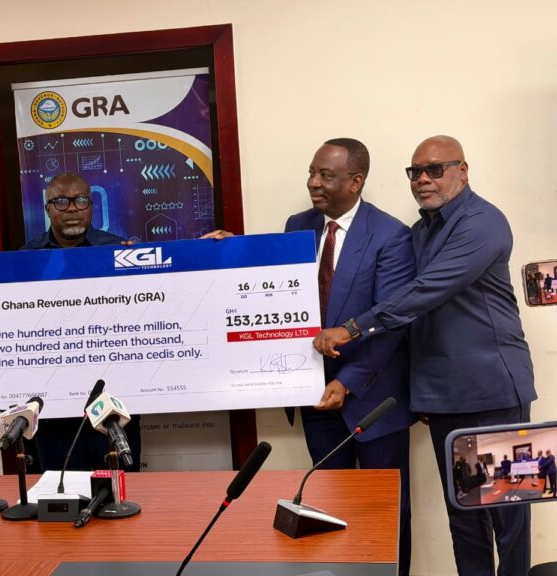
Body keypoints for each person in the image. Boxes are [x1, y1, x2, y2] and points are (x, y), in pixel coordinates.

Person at [313, 136, 537, 576]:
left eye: (435, 169)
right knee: (464, 517)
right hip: (443, 395)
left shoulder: (483, 222)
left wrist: (352, 328)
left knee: (507, 516)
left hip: (492, 392)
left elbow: (423, 292)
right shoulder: (420, 233)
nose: (423, 179)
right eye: (415, 172)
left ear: (463, 171)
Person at [204, 139, 416, 576]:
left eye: (327, 175)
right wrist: (234, 251)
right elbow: (277, 284)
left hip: (373, 401)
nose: (313, 183)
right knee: (326, 511)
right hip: (315, 397)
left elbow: (391, 322)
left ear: (356, 181)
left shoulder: (391, 235)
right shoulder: (298, 226)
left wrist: (348, 381)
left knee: (383, 514)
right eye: (312, 173)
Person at [0, 172, 141, 472]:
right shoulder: (22, 260)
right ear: (47, 208)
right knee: (57, 490)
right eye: (61, 201)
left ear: (91, 205)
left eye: (80, 200)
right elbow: (1, 325)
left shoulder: (122, 251)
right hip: (51, 409)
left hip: (112, 403)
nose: (72, 208)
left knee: (118, 488)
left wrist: (213, 252)